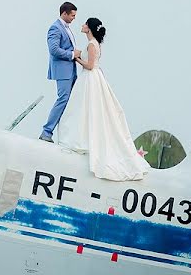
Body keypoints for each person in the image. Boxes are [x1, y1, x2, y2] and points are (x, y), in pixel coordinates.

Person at [58, 18, 150, 181]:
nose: (82, 25)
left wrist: (76, 58)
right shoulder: (94, 44)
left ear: (89, 28)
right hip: (92, 78)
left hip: (90, 78)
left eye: (85, 23)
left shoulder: (92, 44)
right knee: (86, 109)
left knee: (86, 108)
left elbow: (90, 65)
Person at [40, 2, 82, 142]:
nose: (74, 18)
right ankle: (47, 132)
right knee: (63, 99)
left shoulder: (66, 28)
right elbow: (54, 50)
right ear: (64, 13)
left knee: (71, 101)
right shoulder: (55, 28)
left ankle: (65, 134)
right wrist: (72, 54)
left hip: (71, 70)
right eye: (72, 15)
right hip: (63, 71)